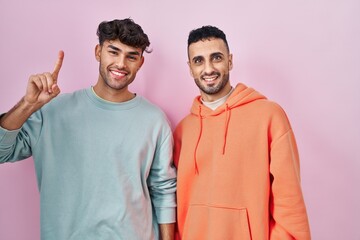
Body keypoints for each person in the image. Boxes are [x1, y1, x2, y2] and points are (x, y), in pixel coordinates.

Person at [0, 18, 176, 240]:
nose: (121, 64)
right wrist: (27, 105)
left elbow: (164, 191)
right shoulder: (52, 110)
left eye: (131, 56)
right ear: (98, 52)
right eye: (113, 51)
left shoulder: (155, 120)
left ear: (140, 62)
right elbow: (2, 151)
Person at [173, 25, 311, 239]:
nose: (208, 69)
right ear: (190, 68)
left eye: (216, 58)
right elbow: (174, 204)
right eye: (199, 61)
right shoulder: (183, 130)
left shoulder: (269, 115)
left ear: (230, 60)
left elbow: (289, 203)